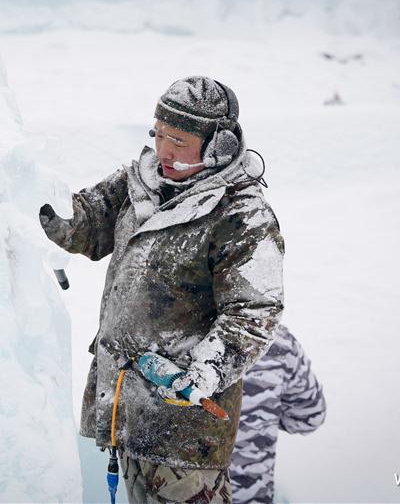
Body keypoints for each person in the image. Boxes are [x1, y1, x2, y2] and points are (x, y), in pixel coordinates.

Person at [39, 76, 285, 503]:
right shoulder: (139, 183)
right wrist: (39, 202)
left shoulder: (243, 216)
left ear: (218, 148)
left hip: (183, 433)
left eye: (179, 140)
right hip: (120, 408)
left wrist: (202, 373)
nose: (164, 150)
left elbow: (253, 312)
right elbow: (87, 226)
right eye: (158, 134)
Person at [230, 323, 327, 503]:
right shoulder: (277, 341)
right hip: (251, 495)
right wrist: (264, 419)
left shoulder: (168, 343)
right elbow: (310, 416)